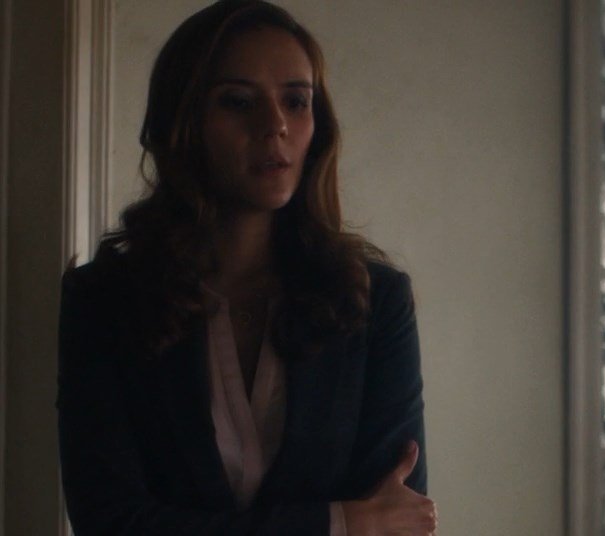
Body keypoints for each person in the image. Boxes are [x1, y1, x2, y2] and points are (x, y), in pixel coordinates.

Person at [56, 1, 438, 534]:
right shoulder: (105, 300)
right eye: (238, 101)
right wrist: (336, 524)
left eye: (296, 101)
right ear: (184, 121)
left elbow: (396, 520)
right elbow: (111, 522)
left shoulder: (373, 301)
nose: (275, 125)